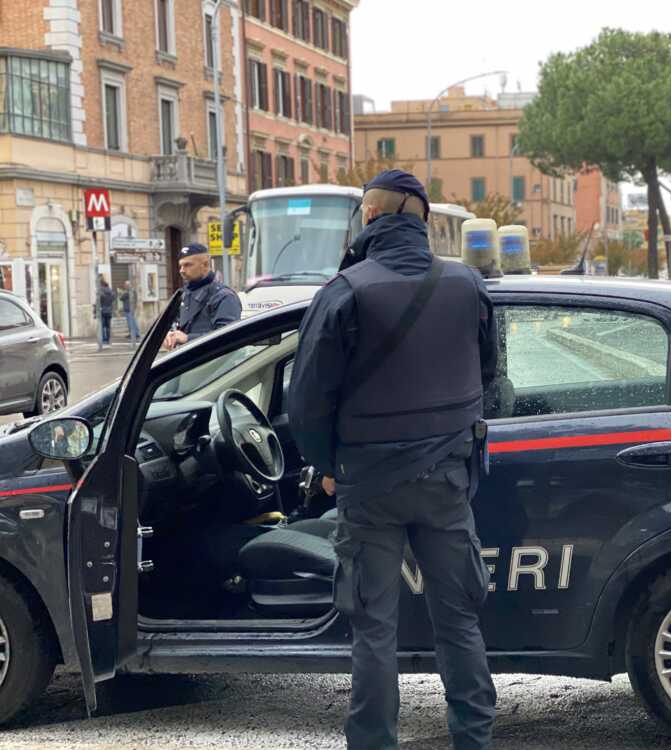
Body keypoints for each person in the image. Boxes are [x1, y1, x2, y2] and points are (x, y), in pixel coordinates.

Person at [289, 169, 498, 749]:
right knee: (458, 623)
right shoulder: (467, 284)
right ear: (424, 220)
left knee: (374, 631)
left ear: (372, 218)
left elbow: (306, 401)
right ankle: (474, 741)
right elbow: (489, 378)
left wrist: (328, 465)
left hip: (369, 488)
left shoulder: (344, 290)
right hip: (447, 481)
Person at [163, 243, 241, 351]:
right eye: (180, 266)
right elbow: (177, 324)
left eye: (188, 265)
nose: (182, 270)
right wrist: (170, 335)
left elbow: (229, 337)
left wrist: (188, 338)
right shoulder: (184, 294)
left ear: (205, 265)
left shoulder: (224, 296)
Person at [119, 279, 140, 345]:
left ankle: (134, 334)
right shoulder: (133, 291)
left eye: (125, 285)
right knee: (133, 321)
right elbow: (136, 299)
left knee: (130, 322)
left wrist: (121, 293)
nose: (124, 286)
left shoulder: (128, 292)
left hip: (128, 309)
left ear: (128, 285)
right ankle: (135, 333)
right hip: (131, 308)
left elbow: (121, 298)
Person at [98, 276, 114, 345]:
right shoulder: (110, 291)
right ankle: (108, 339)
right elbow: (113, 298)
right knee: (108, 326)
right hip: (109, 310)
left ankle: (104, 339)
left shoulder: (100, 290)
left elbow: (99, 299)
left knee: (102, 326)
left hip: (102, 310)